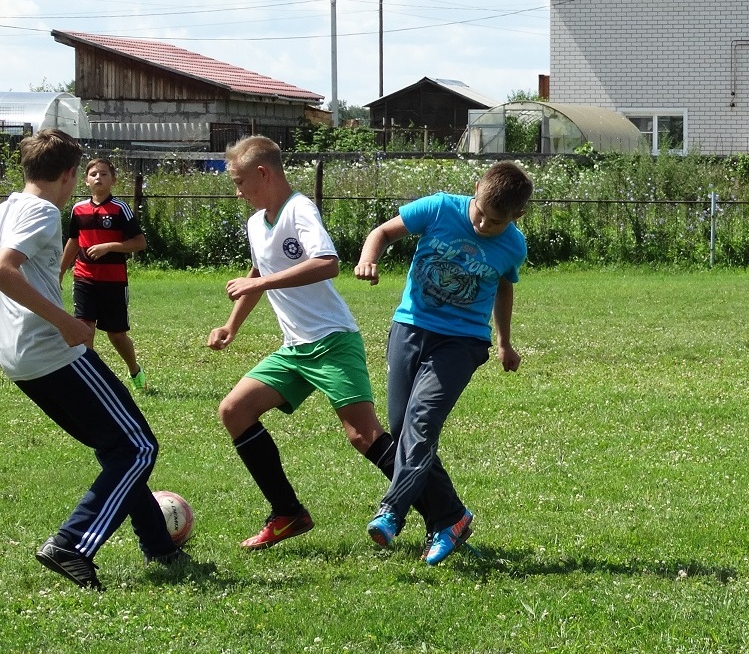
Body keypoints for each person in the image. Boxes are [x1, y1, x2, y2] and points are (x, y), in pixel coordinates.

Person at [0, 129, 184, 590]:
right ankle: (72, 543)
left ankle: (158, 543)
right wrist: (64, 322)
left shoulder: (6, 208)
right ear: (68, 175)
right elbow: (3, 269)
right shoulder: (42, 211)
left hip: (20, 359)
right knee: (138, 447)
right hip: (53, 350)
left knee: (115, 446)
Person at [207, 135, 407, 550]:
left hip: (332, 341)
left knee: (363, 436)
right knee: (234, 411)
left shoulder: (299, 208)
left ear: (264, 173)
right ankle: (287, 513)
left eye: (240, 182)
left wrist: (259, 280)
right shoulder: (254, 222)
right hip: (295, 349)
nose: (238, 191)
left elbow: (327, 263)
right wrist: (231, 326)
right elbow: (258, 275)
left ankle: (444, 512)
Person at [354, 160, 531, 565]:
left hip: (463, 341)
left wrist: (504, 342)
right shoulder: (438, 207)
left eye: (496, 222)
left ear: (517, 216)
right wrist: (369, 258)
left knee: (422, 422)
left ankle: (392, 511)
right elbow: (383, 231)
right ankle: (451, 518)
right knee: (402, 430)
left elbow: (505, 289)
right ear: (476, 190)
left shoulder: (513, 245)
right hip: (410, 327)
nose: (484, 226)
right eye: (481, 213)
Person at [60, 157, 149, 392]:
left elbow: (139, 243)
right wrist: (59, 271)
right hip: (84, 278)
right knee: (84, 330)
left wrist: (109, 246)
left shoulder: (120, 208)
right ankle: (90, 383)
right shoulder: (78, 209)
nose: (98, 177)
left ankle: (134, 370)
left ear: (113, 180)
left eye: (104, 174)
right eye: (93, 174)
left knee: (117, 336)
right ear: (86, 181)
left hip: (113, 282)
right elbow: (73, 241)